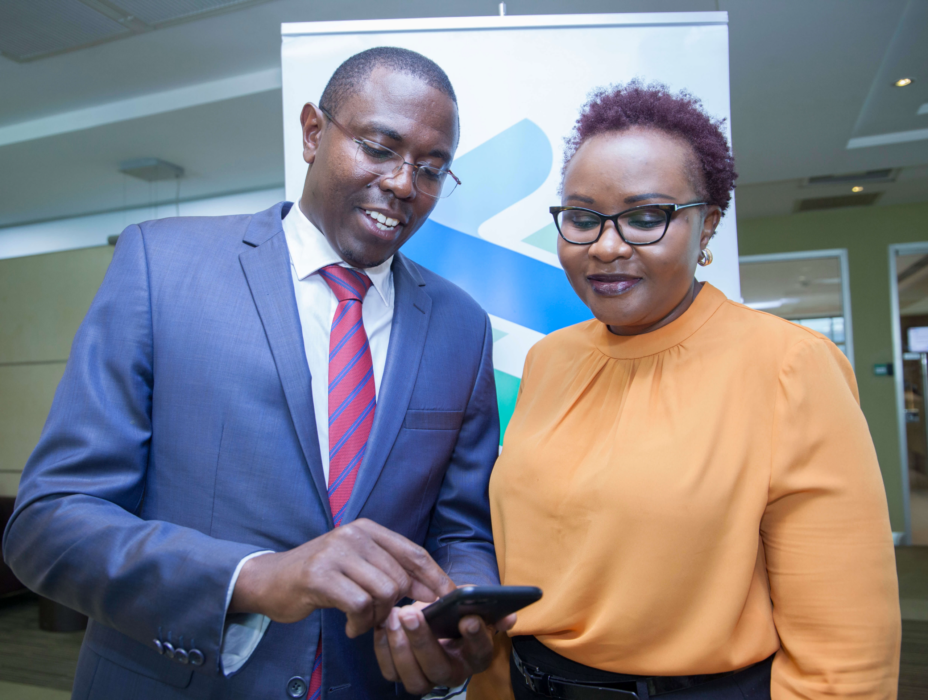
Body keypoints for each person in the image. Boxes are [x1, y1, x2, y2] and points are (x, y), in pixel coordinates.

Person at [3, 47, 509, 700]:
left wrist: (458, 610)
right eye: (380, 148)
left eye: (433, 170)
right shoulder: (161, 266)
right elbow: (50, 523)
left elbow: (461, 532)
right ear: (312, 132)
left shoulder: (462, 326)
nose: (406, 185)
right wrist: (255, 577)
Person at [469, 81, 901, 700]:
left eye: (647, 217)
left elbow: (844, 652)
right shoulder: (549, 359)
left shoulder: (791, 366)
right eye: (583, 218)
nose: (607, 246)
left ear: (707, 227)